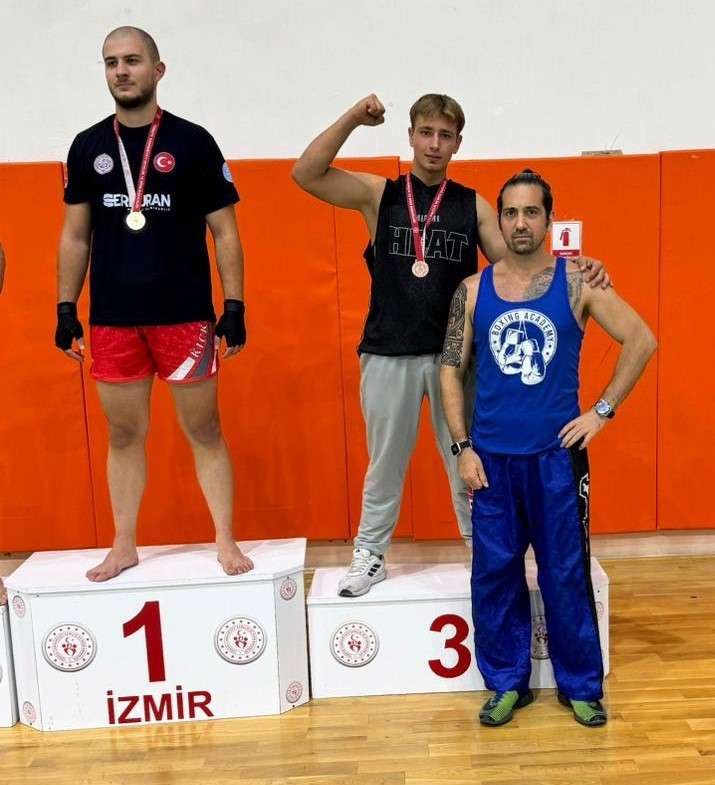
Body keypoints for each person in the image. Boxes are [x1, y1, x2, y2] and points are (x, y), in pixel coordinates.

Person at [292, 95, 610, 597]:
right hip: (387, 351)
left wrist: (578, 268)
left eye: (445, 135)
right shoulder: (380, 195)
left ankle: (481, 550)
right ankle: (370, 554)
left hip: (456, 360)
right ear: (410, 136)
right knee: (385, 463)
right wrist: (353, 118)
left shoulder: (473, 205)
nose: (434, 144)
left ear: (458, 143)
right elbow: (306, 173)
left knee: (470, 463)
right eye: (426, 132)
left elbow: (523, 265)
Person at [439, 169, 657, 727]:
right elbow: (449, 370)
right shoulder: (472, 291)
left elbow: (642, 339)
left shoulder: (579, 282)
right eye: (510, 213)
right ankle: (505, 683)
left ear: (549, 220)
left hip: (557, 460)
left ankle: (581, 685)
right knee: (494, 573)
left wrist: (601, 412)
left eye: (531, 212)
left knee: (565, 573)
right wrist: (462, 447)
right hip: (491, 461)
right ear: (500, 221)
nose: (520, 223)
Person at [56, 26, 253, 581]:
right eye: (111, 62)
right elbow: (75, 235)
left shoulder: (193, 142)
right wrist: (65, 308)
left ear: (158, 70)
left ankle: (225, 539)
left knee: (205, 430)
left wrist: (234, 305)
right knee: (123, 435)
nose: (121, 71)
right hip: (113, 320)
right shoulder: (87, 146)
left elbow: (225, 232)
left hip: (185, 317)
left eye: (132, 60)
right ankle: (123, 545)